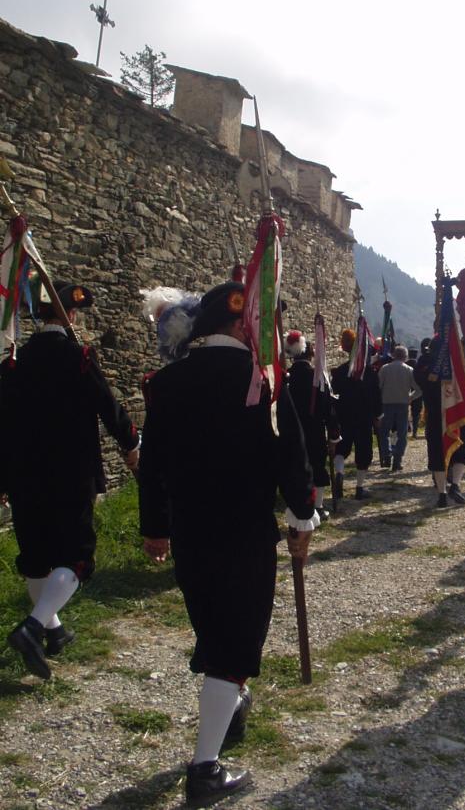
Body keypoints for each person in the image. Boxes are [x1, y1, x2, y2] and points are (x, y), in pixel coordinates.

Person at [139, 281, 318, 806]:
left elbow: (152, 466)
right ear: (243, 325)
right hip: (243, 531)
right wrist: (302, 516)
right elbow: (292, 456)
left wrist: (155, 527)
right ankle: (205, 769)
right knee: (233, 644)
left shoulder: (167, 383)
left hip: (191, 529)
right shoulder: (263, 380)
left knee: (215, 627)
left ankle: (231, 701)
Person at [1, 281, 139, 681]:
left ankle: (54, 631)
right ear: (68, 315)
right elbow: (106, 403)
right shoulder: (78, 356)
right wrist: (131, 441)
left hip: (24, 473)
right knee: (76, 557)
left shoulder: (14, 362)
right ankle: (31, 629)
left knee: (37, 558)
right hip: (70, 472)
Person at [284, 330, 340, 521]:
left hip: (290, 430)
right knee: (317, 466)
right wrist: (333, 435)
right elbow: (328, 409)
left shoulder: (286, 378)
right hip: (314, 430)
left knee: (295, 466)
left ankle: (298, 505)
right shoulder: (318, 378)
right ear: (310, 354)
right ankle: (318, 507)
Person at [415, 336, 465, 508]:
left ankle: (442, 494)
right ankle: (456, 484)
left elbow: (420, 379)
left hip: (435, 416)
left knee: (437, 454)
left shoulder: (425, 365)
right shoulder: (458, 365)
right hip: (457, 415)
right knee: (461, 450)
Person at [331, 329, 383, 500]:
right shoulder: (369, 373)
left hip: (344, 416)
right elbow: (376, 397)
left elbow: (334, 395)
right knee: (364, 452)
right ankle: (359, 488)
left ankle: (339, 472)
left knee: (341, 448)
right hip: (364, 418)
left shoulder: (339, 372)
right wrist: (378, 415)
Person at [378, 345, 420, 471]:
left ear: (393, 355)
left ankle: (387, 454)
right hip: (402, 404)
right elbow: (418, 389)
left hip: (386, 404)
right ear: (405, 357)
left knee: (384, 432)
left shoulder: (385, 368)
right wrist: (410, 398)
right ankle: (397, 459)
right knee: (402, 434)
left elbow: (378, 387)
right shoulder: (409, 370)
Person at [406, 348, 423, 438]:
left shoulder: (405, 364)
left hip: (406, 389)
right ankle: (414, 432)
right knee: (416, 413)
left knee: (405, 411)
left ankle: (407, 428)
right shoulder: (418, 364)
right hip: (417, 391)